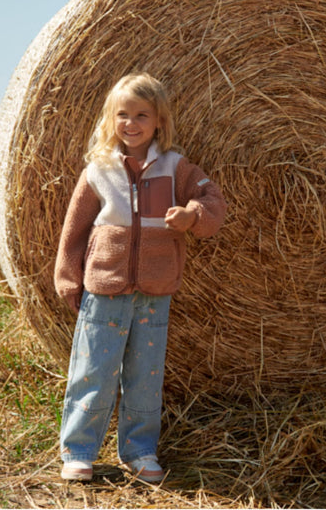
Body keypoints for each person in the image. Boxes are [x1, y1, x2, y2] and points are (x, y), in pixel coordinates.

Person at [53, 72, 226, 483]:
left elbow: (213, 200)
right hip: (105, 287)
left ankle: (141, 450)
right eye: (123, 114)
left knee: (145, 374)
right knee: (94, 368)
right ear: (111, 119)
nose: (131, 123)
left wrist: (192, 216)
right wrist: (67, 277)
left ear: (159, 122)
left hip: (155, 290)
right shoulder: (98, 170)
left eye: (141, 115)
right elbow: (74, 228)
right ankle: (78, 450)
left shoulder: (175, 167)